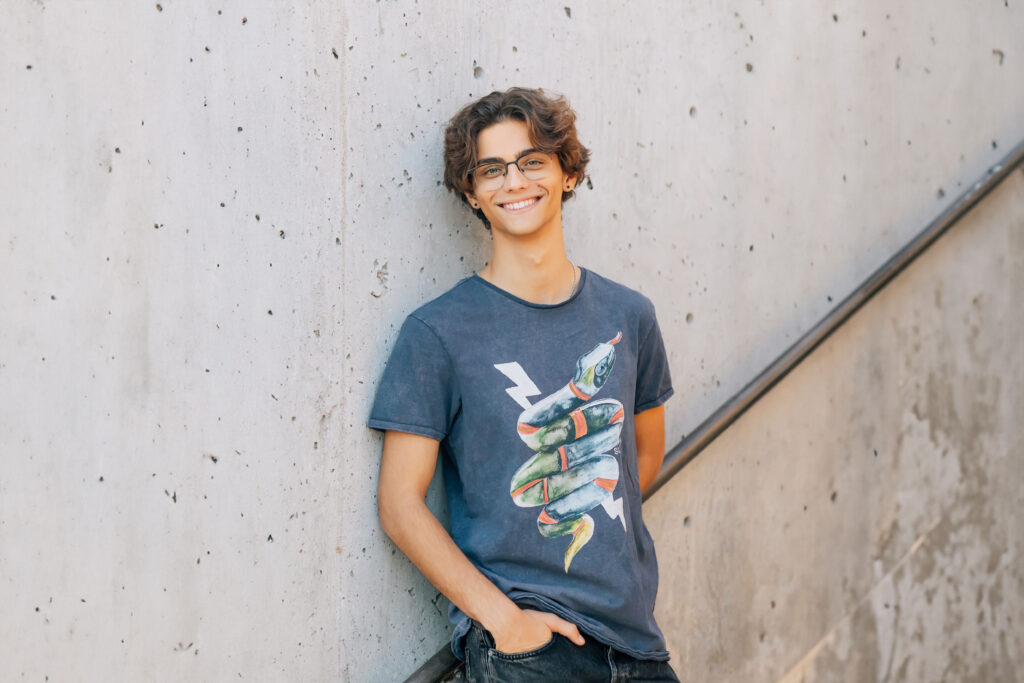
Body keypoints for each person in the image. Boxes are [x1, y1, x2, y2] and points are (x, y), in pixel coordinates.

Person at [369, 87, 678, 682]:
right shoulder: (438, 332)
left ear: (567, 173)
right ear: (473, 193)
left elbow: (643, 455)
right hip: (528, 652)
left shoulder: (628, 316)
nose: (514, 181)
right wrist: (506, 623)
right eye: (491, 169)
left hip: (637, 642)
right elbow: (399, 505)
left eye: (532, 160)